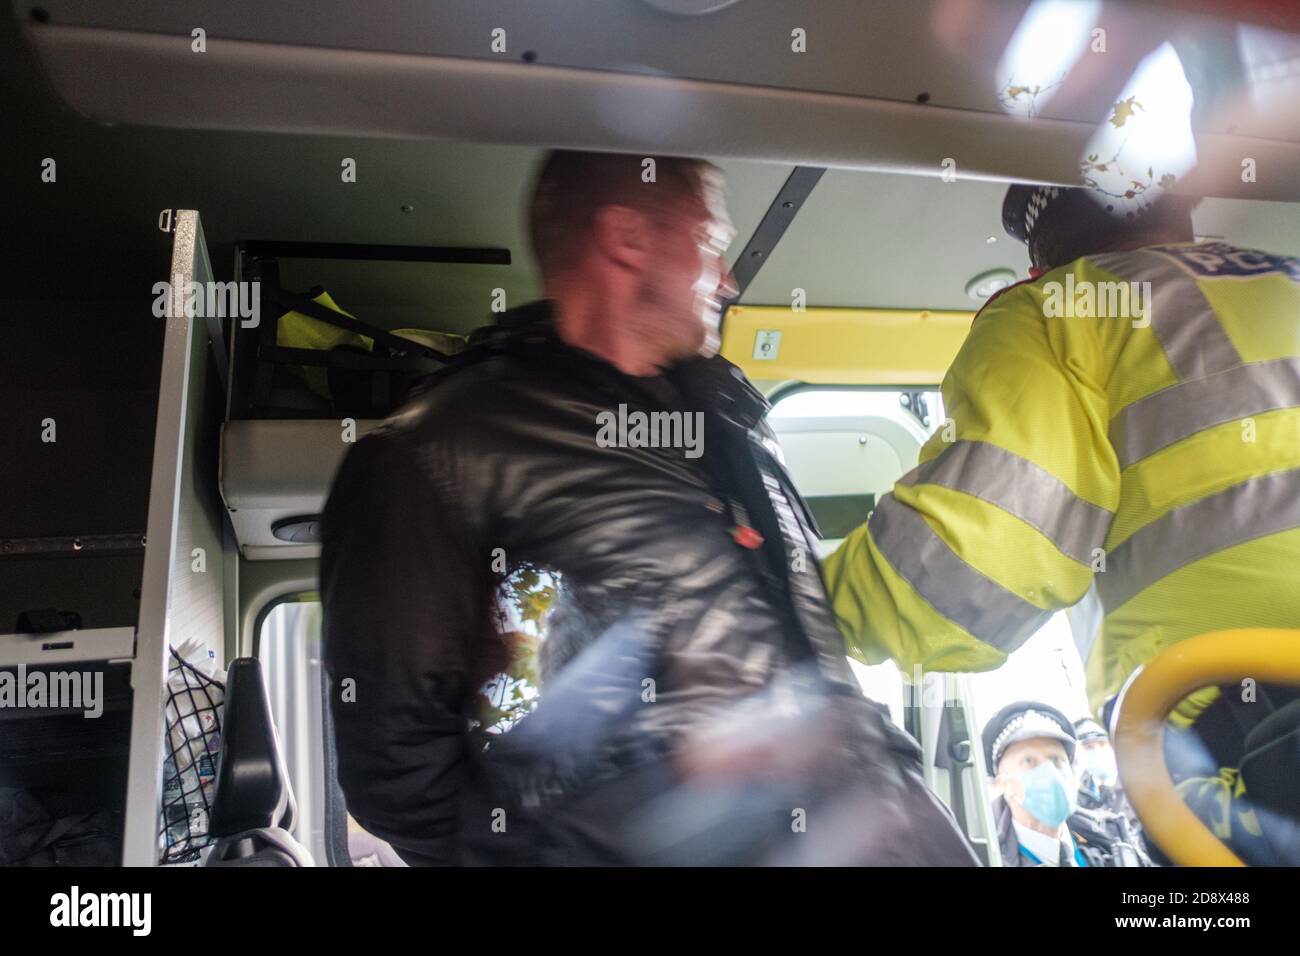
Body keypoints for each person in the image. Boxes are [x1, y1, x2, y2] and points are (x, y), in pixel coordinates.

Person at [320, 150, 977, 866]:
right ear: (626, 238)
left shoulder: (738, 428)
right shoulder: (437, 455)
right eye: (710, 245)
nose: (727, 280)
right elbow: (399, 777)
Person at [823, 183, 1300, 862]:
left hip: (1240, 738)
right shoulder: (1288, 278)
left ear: (1045, 251)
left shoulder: (1060, 310)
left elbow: (977, 562)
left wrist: (803, 609)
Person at [983, 702, 1144, 867]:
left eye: (1056, 760)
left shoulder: (1112, 833)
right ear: (1004, 784)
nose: (1049, 772)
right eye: (1029, 761)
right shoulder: (984, 858)